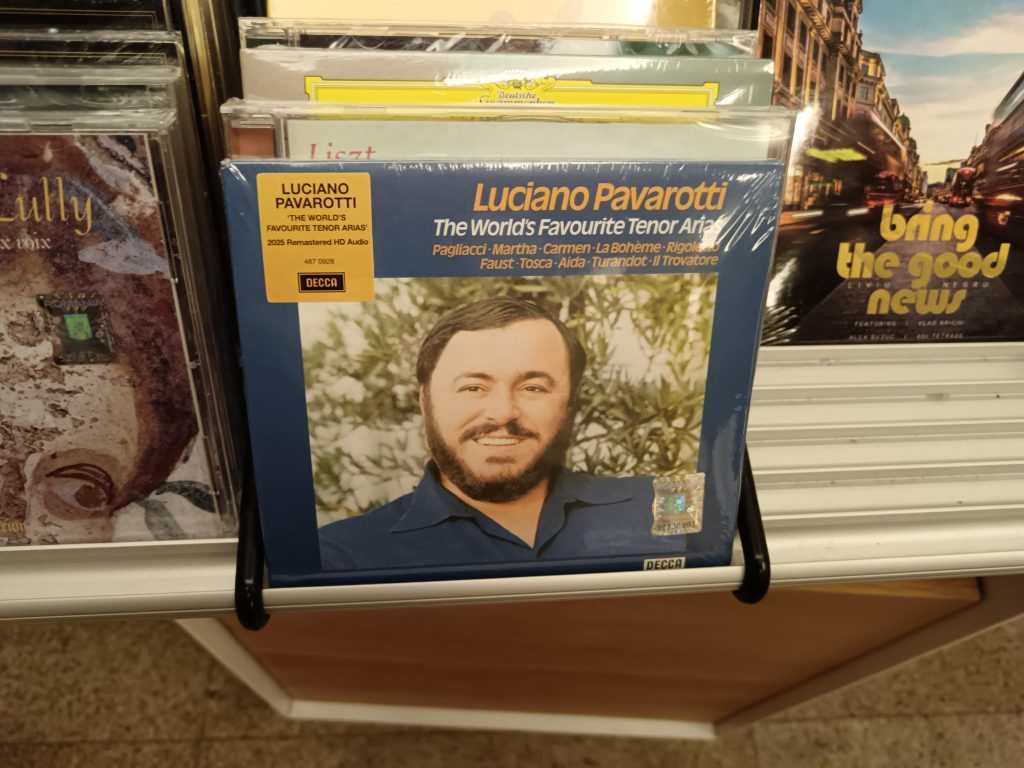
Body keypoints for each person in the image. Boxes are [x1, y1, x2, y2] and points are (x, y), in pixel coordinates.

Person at [318, 296, 687, 572]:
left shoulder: (668, 503)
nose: (503, 412)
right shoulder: (341, 554)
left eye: (533, 388)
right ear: (425, 401)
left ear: (570, 403)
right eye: (473, 387)